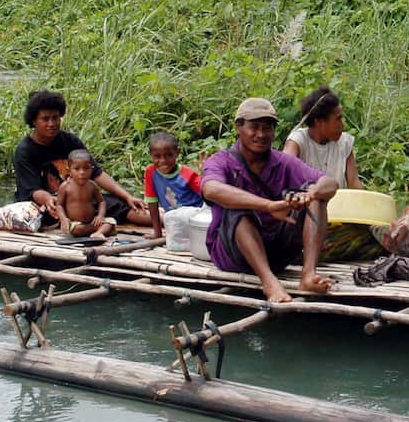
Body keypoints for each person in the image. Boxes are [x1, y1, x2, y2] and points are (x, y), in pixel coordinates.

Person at [201, 98, 337, 303]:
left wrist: (311, 194)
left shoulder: (283, 161)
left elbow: (330, 183)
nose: (261, 135)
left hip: (278, 253)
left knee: (317, 197)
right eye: (254, 127)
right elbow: (210, 189)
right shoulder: (221, 161)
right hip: (234, 255)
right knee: (238, 207)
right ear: (239, 127)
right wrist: (268, 206)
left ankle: (308, 274)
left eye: (267, 128)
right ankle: (269, 283)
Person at [0, 89, 148, 232]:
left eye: (55, 118)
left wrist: (127, 196)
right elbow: (31, 191)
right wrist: (48, 199)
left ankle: (159, 222)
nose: (51, 124)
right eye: (45, 119)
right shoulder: (24, 151)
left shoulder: (70, 141)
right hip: (46, 206)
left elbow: (97, 173)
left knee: (117, 204)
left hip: (78, 199)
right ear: (34, 122)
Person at [282, 86, 363, 189]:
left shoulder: (345, 143)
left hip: (340, 203)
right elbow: (284, 171)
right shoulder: (298, 141)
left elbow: (354, 184)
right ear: (319, 121)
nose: (342, 125)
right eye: (338, 119)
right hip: (305, 203)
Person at [142, 132, 203, 239]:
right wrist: (157, 232)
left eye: (169, 155)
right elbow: (152, 202)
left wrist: (206, 175)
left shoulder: (188, 174)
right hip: (175, 222)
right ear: (150, 154)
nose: (163, 161)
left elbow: (207, 192)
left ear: (177, 152)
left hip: (195, 219)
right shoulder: (151, 172)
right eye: (157, 156)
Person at [55, 150, 115, 238]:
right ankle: (96, 231)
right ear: (69, 170)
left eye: (86, 168)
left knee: (111, 222)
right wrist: (63, 219)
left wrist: (100, 216)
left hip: (92, 222)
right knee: (76, 229)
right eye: (76, 169)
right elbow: (59, 205)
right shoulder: (65, 186)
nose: (82, 172)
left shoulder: (92, 185)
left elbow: (101, 202)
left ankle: (98, 232)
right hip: (76, 223)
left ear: (92, 169)